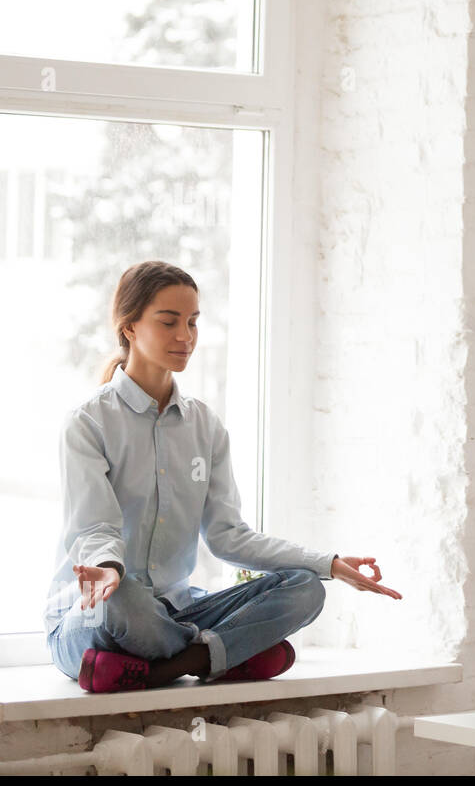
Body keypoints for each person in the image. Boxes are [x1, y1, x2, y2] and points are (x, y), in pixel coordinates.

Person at [45, 261, 402, 694]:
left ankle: (161, 666)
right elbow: (95, 526)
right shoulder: (88, 423)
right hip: (93, 614)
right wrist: (107, 570)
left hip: (176, 611)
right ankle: (221, 655)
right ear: (130, 327)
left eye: (193, 322)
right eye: (169, 321)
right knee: (125, 602)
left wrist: (328, 564)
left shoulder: (205, 426)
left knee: (306, 588)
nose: (186, 336)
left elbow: (229, 537)